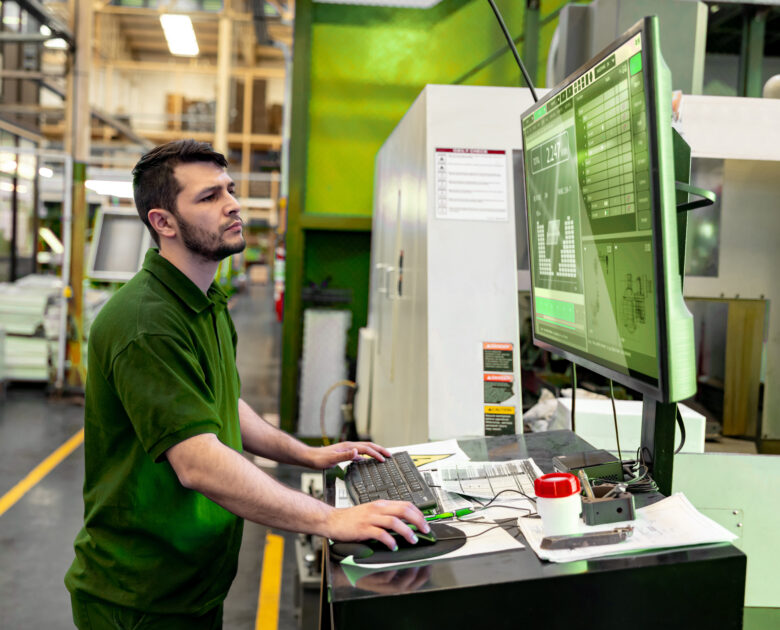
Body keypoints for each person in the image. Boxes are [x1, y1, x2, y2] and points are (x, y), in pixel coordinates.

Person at [65, 140, 429, 629]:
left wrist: (308, 454)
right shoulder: (144, 323)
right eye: (209, 196)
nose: (233, 203)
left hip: (192, 584)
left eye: (230, 189)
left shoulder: (205, 300)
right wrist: (330, 519)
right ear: (163, 222)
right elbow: (197, 464)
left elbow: (221, 404)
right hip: (139, 599)